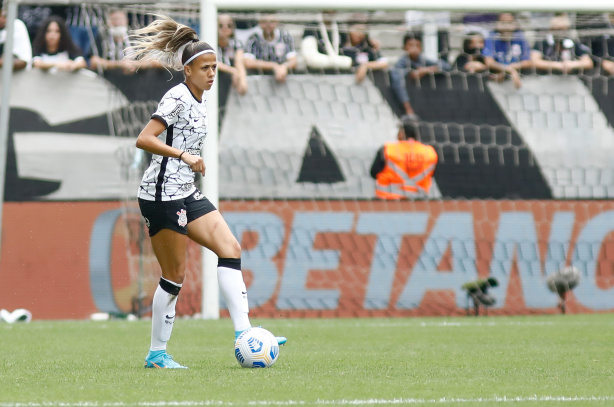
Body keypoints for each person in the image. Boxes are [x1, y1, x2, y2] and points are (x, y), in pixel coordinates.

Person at [124, 15, 287, 369]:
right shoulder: (177, 98)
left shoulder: (201, 99)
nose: (212, 73)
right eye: (205, 68)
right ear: (187, 71)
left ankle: (246, 335)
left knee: (230, 248)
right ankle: (156, 354)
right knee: (174, 277)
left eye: (215, 67)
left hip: (185, 190)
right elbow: (144, 139)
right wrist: (183, 155)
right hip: (162, 195)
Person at [389, 32, 450, 122]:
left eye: (417, 45)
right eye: (411, 45)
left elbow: (446, 66)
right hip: (410, 106)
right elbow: (398, 86)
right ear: (404, 47)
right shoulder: (400, 65)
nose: (414, 48)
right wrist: (408, 110)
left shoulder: (423, 60)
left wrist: (426, 70)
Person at [370, 121, 438, 200]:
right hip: (418, 200)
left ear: (402, 133)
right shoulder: (429, 152)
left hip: (387, 198)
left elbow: (374, 172)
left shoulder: (388, 149)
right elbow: (432, 174)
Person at [89, 8, 161, 73]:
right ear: (108, 22)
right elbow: (93, 61)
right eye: (113, 19)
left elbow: (152, 60)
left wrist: (134, 64)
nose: (117, 22)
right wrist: (118, 64)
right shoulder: (102, 36)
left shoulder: (136, 36)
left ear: (126, 20)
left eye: (120, 19)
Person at [454, 31, 522, 88]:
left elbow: (493, 71)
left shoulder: (485, 58)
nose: (480, 46)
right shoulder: (462, 58)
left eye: (481, 42)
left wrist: (497, 75)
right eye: (476, 43)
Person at [243, 12, 297, 83]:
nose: (268, 25)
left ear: (277, 22)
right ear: (260, 23)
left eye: (272, 22)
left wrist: (284, 67)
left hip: (282, 78)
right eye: (264, 22)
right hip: (259, 79)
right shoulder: (254, 39)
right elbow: (248, 62)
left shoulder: (285, 37)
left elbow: (293, 61)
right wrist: (273, 66)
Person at [217, 13, 248, 95]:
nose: (225, 29)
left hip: (231, 75)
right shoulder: (209, 41)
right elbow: (212, 62)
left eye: (229, 26)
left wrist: (242, 79)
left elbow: (239, 62)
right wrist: (232, 71)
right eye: (221, 26)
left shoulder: (236, 43)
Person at [0, 2, 32, 71]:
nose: (1, 19)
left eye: (3, 15)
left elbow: (23, 62)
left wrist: (4, 62)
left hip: (14, 77)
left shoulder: (16, 25)